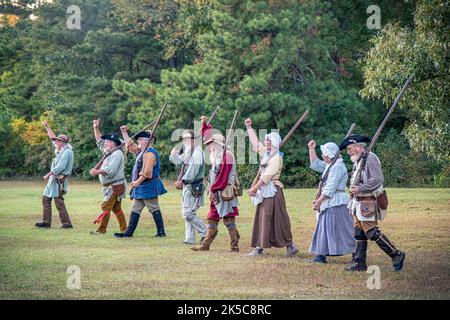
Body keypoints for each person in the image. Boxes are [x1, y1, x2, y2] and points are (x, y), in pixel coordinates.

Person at [340, 135, 405, 272]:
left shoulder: (370, 158)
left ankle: (396, 254)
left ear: (358, 146)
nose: (348, 152)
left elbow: (377, 179)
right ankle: (359, 263)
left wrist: (360, 189)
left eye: (350, 148)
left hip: (368, 201)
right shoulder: (359, 160)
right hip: (359, 202)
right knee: (359, 232)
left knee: (372, 232)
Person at [244, 118, 298, 257]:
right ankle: (259, 247)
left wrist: (254, 189)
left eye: (268, 141)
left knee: (278, 220)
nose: (265, 142)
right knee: (262, 218)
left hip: (273, 192)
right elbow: (256, 145)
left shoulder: (277, 158)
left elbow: (266, 177)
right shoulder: (267, 154)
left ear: (273, 143)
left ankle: (290, 246)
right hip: (265, 191)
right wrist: (249, 128)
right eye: (266, 140)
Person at [191, 116, 240, 252]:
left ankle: (234, 245)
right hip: (216, 192)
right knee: (212, 217)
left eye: (212, 143)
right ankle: (205, 245)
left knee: (228, 219)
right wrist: (204, 125)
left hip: (224, 192)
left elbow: (223, 178)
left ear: (219, 144)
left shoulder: (227, 156)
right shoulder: (217, 154)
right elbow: (206, 136)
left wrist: (213, 189)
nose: (210, 146)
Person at [307, 140, 356, 263]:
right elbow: (316, 164)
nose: (323, 156)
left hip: (336, 202)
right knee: (324, 228)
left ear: (329, 155)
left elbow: (331, 187)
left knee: (344, 230)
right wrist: (311, 149)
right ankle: (321, 255)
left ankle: (357, 253)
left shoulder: (337, 167)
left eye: (324, 154)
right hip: (330, 202)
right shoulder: (331, 165)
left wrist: (319, 201)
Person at [114, 126, 167, 238]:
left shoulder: (150, 154)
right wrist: (124, 132)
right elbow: (130, 145)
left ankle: (161, 232)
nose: (138, 142)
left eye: (141, 140)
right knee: (135, 209)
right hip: (141, 186)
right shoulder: (142, 151)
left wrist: (137, 182)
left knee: (154, 208)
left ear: (149, 141)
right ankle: (129, 233)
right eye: (138, 140)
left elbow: (147, 172)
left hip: (148, 185)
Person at [89, 119, 127, 235]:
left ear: (114, 143)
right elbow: (99, 141)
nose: (105, 143)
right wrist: (96, 127)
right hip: (111, 186)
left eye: (107, 141)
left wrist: (97, 172)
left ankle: (101, 230)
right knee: (116, 209)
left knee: (105, 207)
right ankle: (125, 229)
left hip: (115, 186)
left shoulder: (117, 154)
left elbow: (110, 170)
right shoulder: (109, 151)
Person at [169, 129, 207, 245]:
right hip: (189, 185)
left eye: (187, 138)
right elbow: (179, 161)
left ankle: (206, 232)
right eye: (183, 139)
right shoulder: (190, 151)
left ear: (193, 140)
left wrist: (183, 181)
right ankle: (189, 238)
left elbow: (193, 171)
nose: (184, 141)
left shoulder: (197, 152)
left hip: (194, 185)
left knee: (188, 213)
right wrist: (173, 155)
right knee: (188, 212)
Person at [35, 121, 74, 229]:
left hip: (59, 180)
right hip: (54, 179)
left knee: (58, 202)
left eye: (57, 141)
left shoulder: (67, 152)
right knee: (46, 198)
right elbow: (52, 137)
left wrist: (48, 174)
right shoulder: (60, 149)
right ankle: (46, 222)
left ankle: (67, 224)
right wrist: (47, 127)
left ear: (62, 142)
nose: (55, 142)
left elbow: (60, 167)